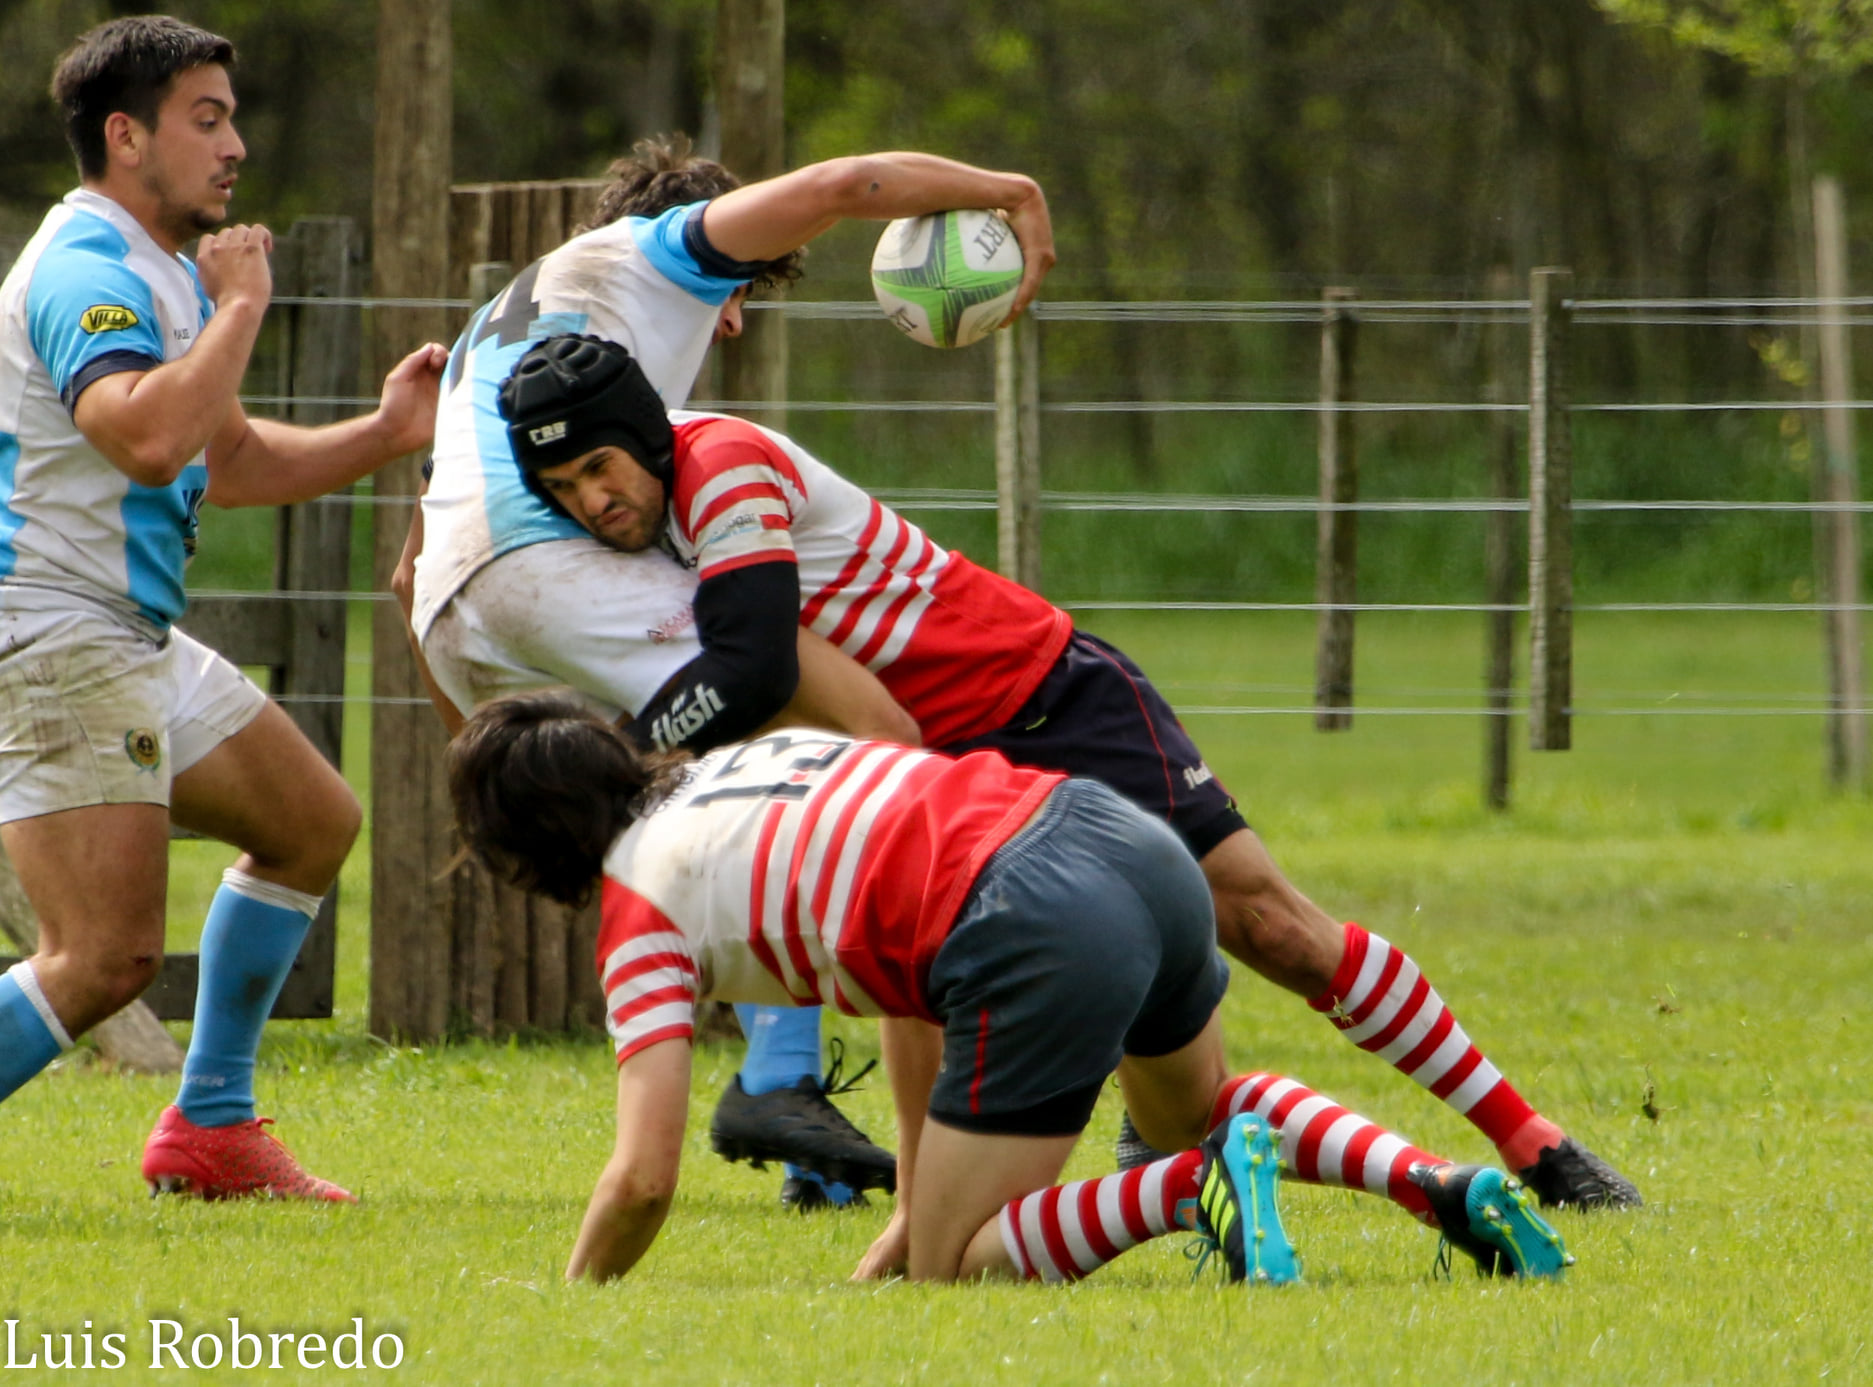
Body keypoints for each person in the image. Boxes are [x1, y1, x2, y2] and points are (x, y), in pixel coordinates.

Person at [487, 330, 1643, 1213]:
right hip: (950, 782)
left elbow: (746, 658)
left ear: (646, 436)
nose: (595, 502)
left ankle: (1529, 1139)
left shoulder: (722, 463)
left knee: (1275, 930)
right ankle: (968, 1197)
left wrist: (637, 759)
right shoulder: (639, 531)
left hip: (1049, 697)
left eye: (601, 469)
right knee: (911, 972)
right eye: (566, 492)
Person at [403, 135, 1057, 1208]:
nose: (736, 318)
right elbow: (850, 187)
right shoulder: (657, 254)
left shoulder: (525, 334)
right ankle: (802, 1089)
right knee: (873, 738)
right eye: (742, 290)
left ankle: (787, 1099)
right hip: (541, 563)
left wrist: (469, 727)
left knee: (720, 777)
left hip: (456, 602)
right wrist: (1006, 187)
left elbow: (408, 572)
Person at [445, 692, 1573, 1285]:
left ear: (522, 847)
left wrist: (575, 1292)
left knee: (952, 1270)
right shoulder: (743, 764)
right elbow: (898, 965)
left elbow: (643, 1178)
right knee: (1201, 1101)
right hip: (1115, 835)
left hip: (1027, 917)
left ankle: (1187, 1194)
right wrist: (910, 1189)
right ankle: (1434, 1181)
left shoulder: (642, 906)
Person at [0, 15, 446, 1201]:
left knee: (310, 821)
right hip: (48, 633)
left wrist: (388, 433)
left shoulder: (157, 270)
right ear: (125, 135)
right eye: (206, 120)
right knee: (101, 959)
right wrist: (243, 306)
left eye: (232, 117)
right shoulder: (87, 270)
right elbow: (148, 437)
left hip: (118, 631)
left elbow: (224, 460)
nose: (235, 145)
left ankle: (210, 1128)